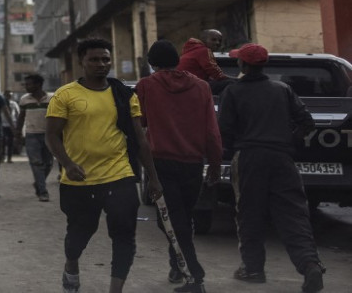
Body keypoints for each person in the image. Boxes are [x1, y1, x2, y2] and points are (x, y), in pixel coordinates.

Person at [46, 38, 162, 293]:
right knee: (78, 236)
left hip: (119, 175)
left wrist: (153, 178)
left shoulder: (123, 94)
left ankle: (115, 289)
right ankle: (71, 266)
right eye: (95, 60)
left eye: (106, 59)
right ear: (81, 62)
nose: (102, 64)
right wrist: (67, 163)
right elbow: (52, 135)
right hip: (79, 180)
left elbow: (140, 140)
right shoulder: (65, 95)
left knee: (123, 236)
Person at [217, 43, 325, 293]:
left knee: (249, 215)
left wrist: (230, 152)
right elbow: (306, 123)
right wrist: (288, 141)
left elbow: (225, 132)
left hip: (250, 159)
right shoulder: (282, 89)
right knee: (293, 215)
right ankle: (310, 265)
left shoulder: (233, 92)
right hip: (282, 159)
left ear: (242, 65)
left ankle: (253, 269)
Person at [134, 40, 222, 293]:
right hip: (193, 164)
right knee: (181, 217)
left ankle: (195, 275)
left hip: (161, 164)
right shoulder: (202, 86)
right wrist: (214, 165)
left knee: (171, 220)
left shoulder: (146, 86)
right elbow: (212, 132)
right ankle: (178, 265)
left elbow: (139, 124)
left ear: (152, 63)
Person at [18, 73, 54, 202]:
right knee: (36, 164)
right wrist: (18, 134)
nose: (26, 87)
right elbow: (21, 117)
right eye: (26, 84)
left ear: (38, 84)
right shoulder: (24, 99)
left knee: (49, 163)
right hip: (31, 135)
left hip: (49, 135)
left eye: (29, 84)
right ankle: (43, 192)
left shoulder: (52, 98)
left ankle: (39, 182)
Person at [1, 91, 20, 163]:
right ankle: (2, 157)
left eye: (10, 95)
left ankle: (9, 157)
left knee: (10, 142)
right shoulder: (1, 104)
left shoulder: (14, 104)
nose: (8, 96)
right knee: (2, 141)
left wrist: (18, 125)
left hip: (12, 125)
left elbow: (18, 114)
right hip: (2, 124)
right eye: (7, 95)